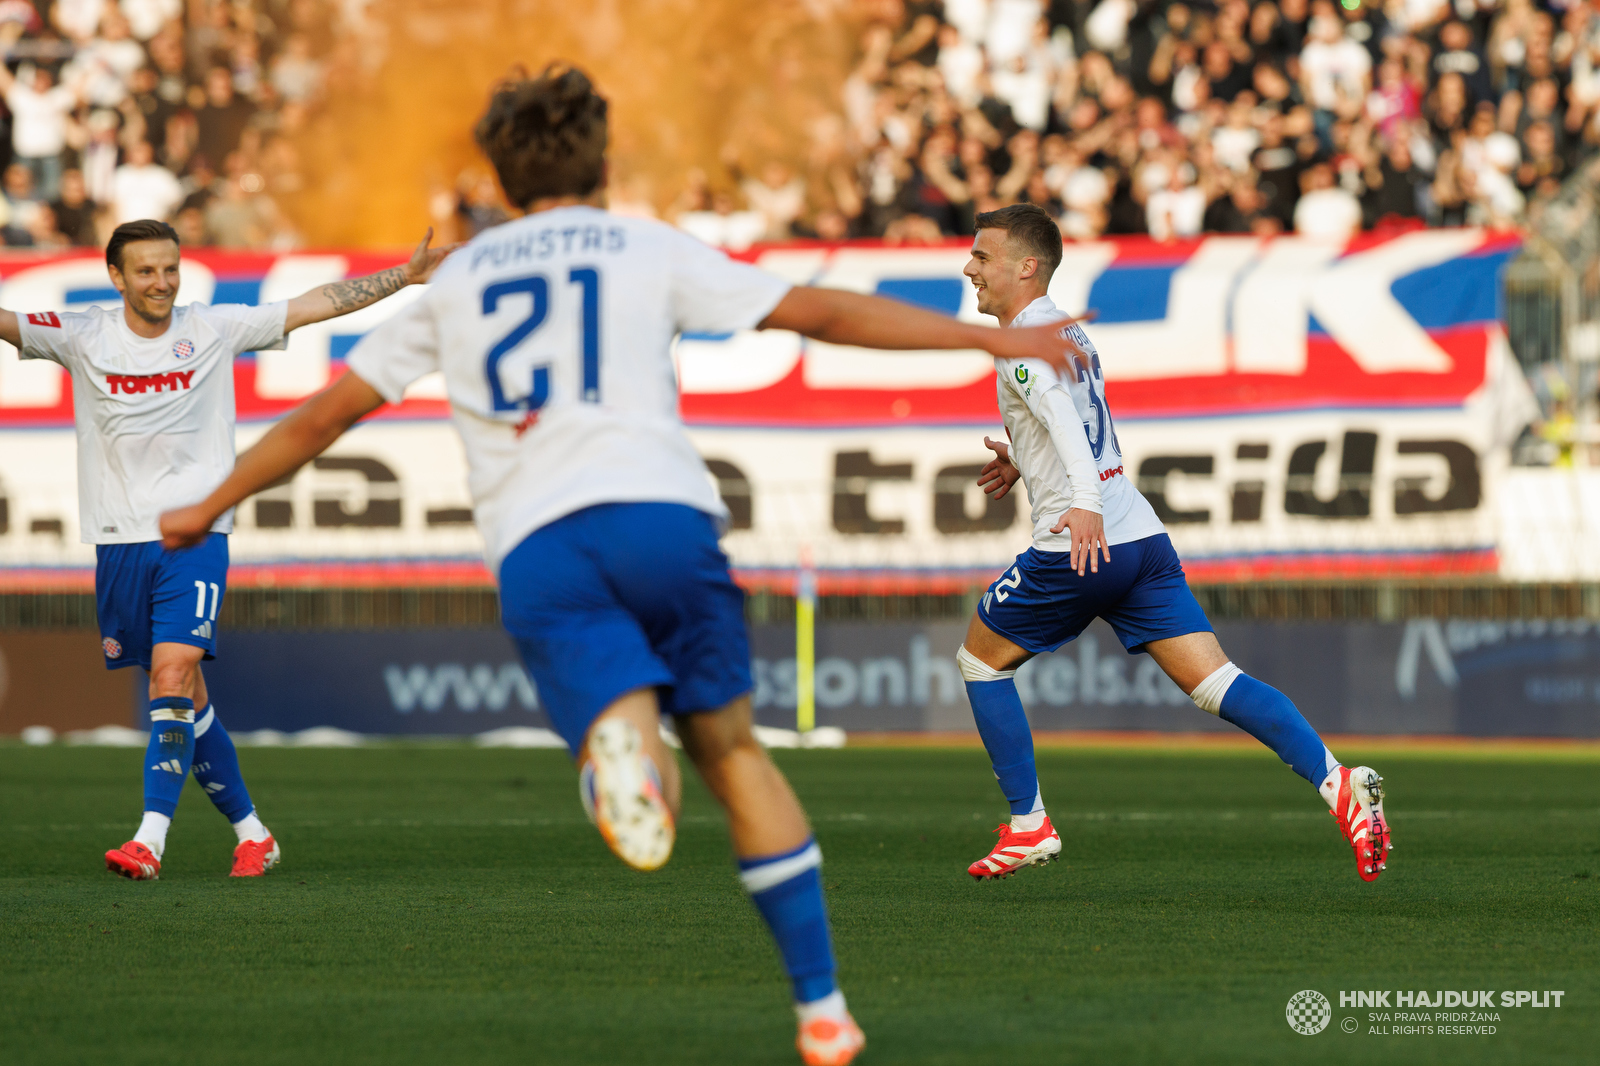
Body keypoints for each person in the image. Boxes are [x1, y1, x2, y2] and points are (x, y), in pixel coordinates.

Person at [157, 65, 1087, 1066]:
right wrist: (982, 337)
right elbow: (816, 312)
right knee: (734, 754)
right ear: (603, 161)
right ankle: (822, 1011)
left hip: (541, 545)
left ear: (502, 178)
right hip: (663, 516)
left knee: (632, 739)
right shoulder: (648, 248)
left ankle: (623, 746)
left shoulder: (462, 277)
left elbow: (326, 415)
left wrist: (209, 501)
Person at [0, 218, 452, 883]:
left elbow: (315, 304)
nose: (162, 282)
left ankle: (148, 842)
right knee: (187, 700)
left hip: (194, 533)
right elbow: (6, 320)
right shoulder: (82, 334)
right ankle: (254, 834)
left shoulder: (211, 328)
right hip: (120, 543)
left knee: (172, 676)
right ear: (117, 277)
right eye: (147, 271)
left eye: (170, 268)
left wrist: (405, 278)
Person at [956, 203, 1391, 885]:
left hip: (1080, 543)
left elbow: (1068, 424)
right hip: (1142, 536)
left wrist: (1082, 504)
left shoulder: (1020, 348)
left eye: (983, 257)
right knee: (1217, 682)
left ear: (1026, 266)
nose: (970, 268)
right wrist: (1022, 455)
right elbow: (1077, 417)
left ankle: (1028, 824)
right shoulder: (1064, 329)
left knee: (981, 662)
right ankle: (1337, 781)